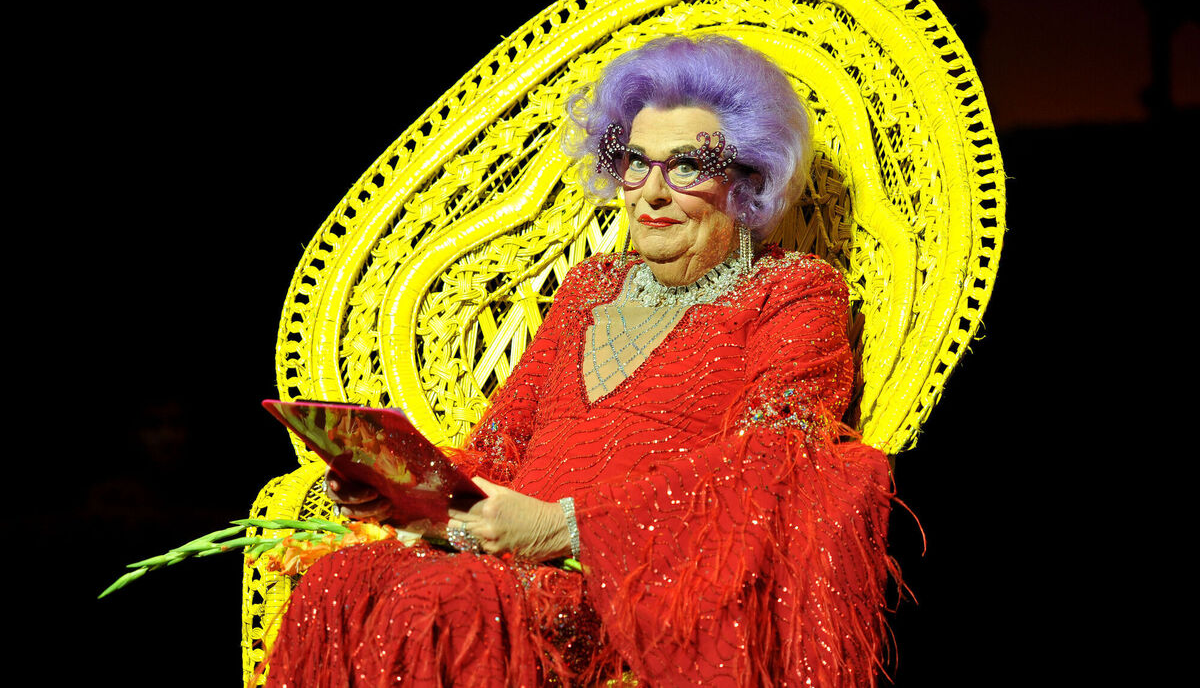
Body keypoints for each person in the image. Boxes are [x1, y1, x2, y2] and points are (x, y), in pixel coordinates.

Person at [265, 35, 896, 687]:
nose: (651, 193)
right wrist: (402, 488)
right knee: (338, 583)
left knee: (445, 605)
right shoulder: (588, 287)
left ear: (748, 179)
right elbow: (499, 450)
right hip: (498, 563)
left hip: (633, 584)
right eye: (634, 161)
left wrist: (566, 527)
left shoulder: (793, 290)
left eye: (687, 165)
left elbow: (778, 459)